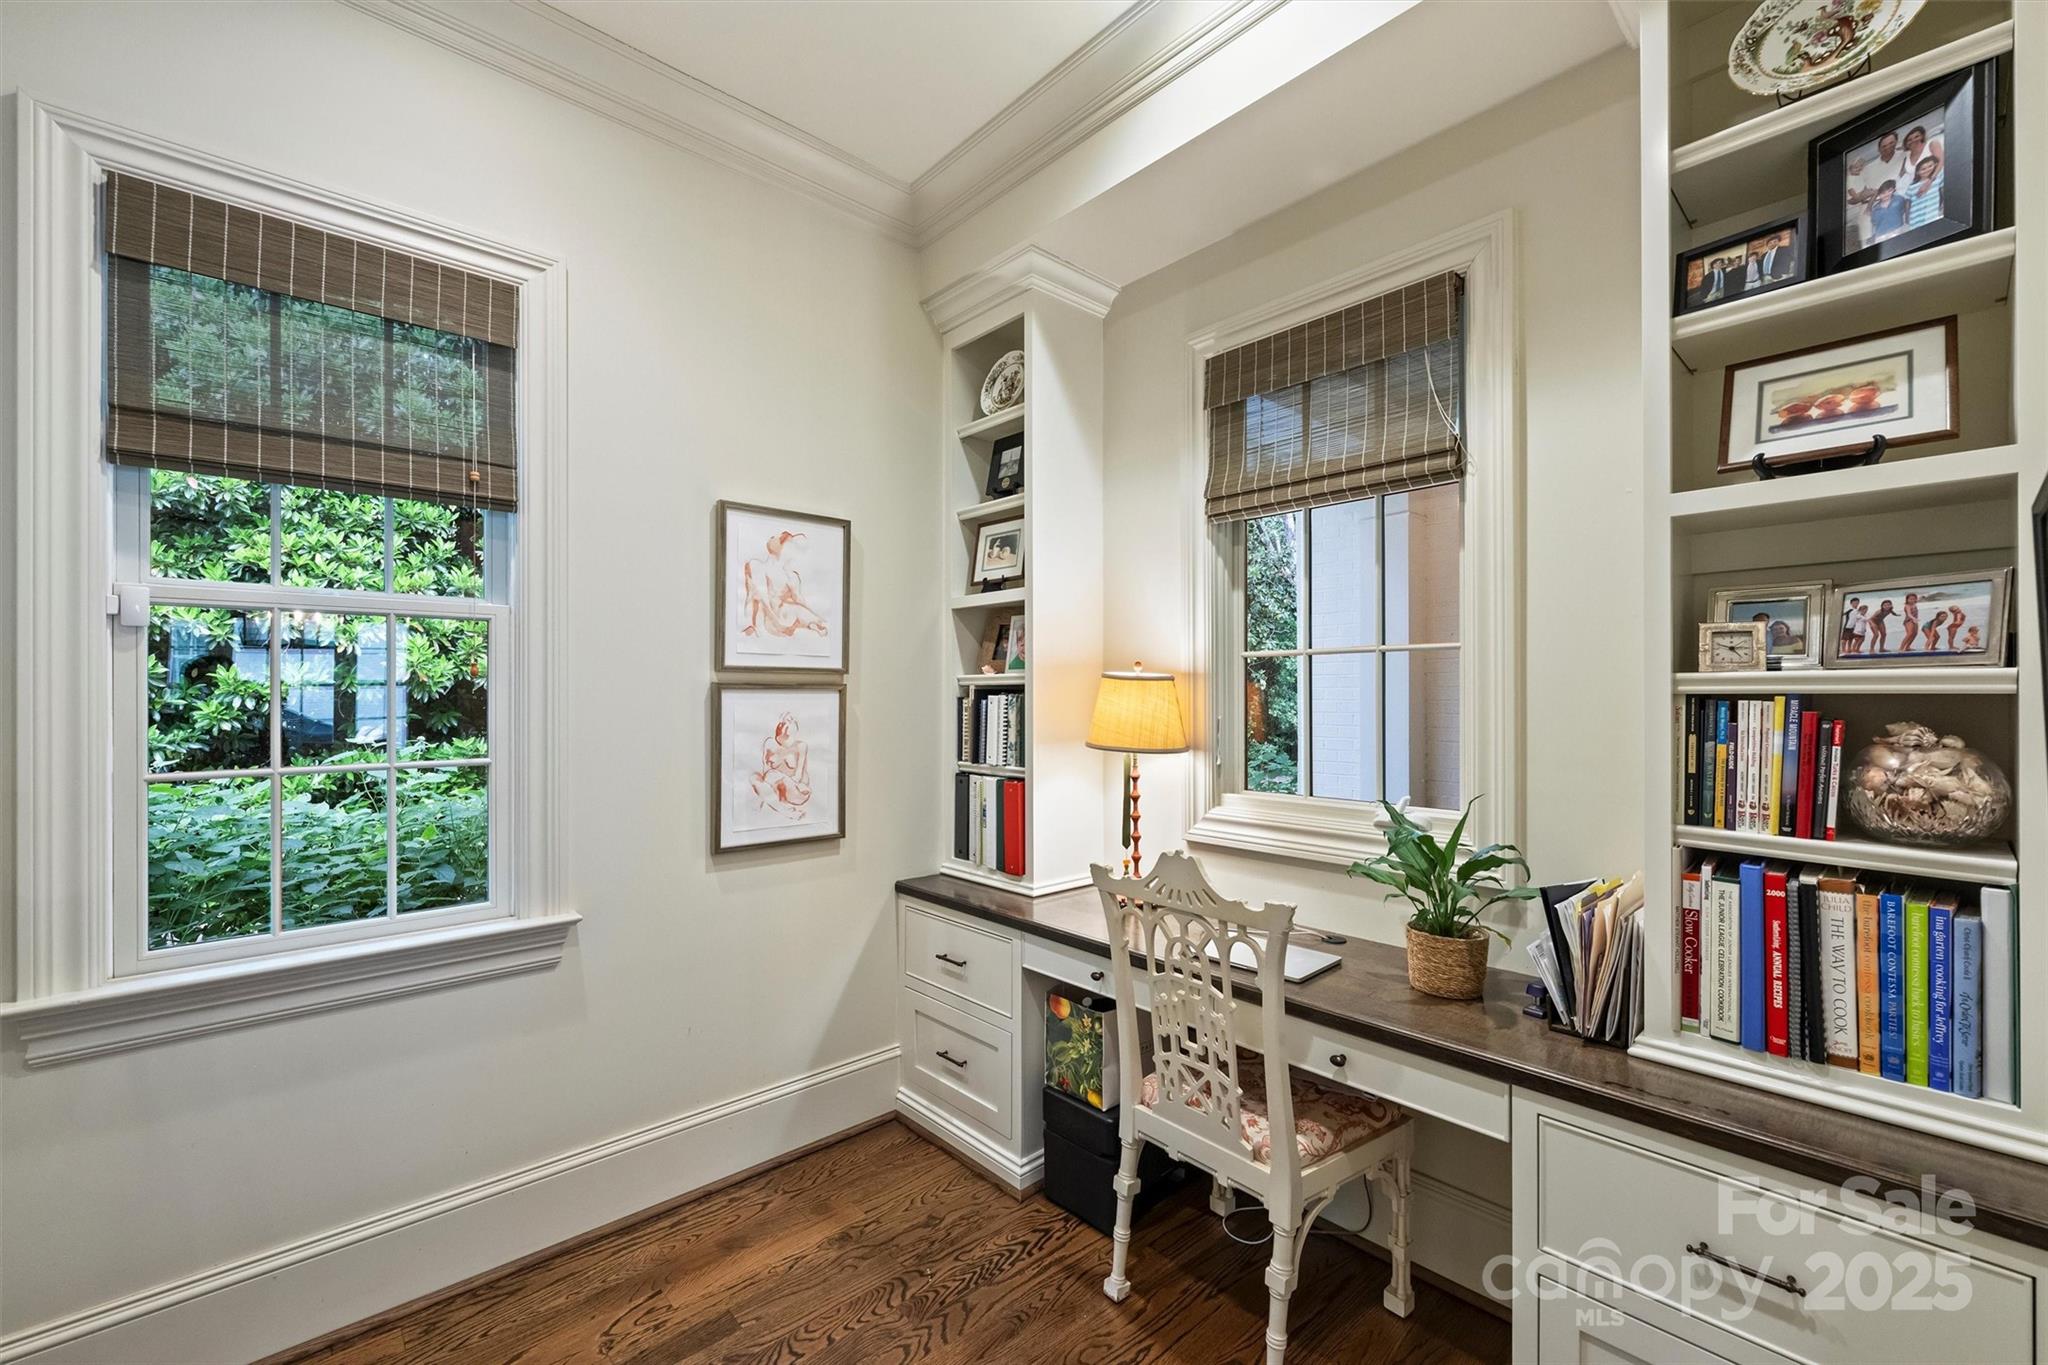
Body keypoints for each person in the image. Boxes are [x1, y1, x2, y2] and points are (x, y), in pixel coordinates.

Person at [1846, 131, 1911, 248]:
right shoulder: (1868, 169)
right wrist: (1864, 195)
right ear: (1879, 149)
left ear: (1896, 142)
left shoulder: (1904, 156)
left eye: (1891, 143)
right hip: (1871, 216)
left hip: (1897, 213)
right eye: (1884, 146)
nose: (1888, 148)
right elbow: (1851, 200)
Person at [1904, 154, 1945, 229]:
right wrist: (1907, 217)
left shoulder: (1937, 180)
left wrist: (1941, 206)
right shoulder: (1912, 187)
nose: (1927, 170)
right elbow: (1907, 203)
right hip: (1915, 218)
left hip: (1932, 214)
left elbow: (1942, 194)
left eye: (1930, 166)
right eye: (1923, 169)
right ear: (1917, 172)